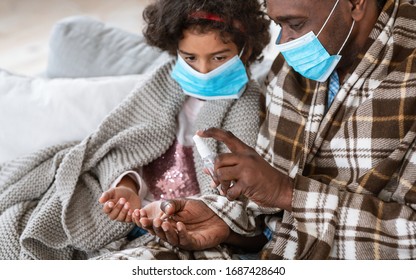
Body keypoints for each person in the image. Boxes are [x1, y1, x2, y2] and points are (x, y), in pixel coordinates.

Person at [134, 0, 416, 259]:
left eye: (295, 24)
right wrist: (224, 222)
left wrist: (289, 192)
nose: (284, 41)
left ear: (356, 3)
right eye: (278, 25)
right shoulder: (292, 67)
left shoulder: (405, 77)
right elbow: (267, 218)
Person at [0, 0, 270, 260]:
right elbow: (121, 146)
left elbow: (242, 196)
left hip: (180, 224)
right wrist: (127, 186)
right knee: (19, 227)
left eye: (218, 57)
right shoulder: (163, 84)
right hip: (134, 210)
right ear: (175, 48)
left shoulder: (248, 107)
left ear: (245, 49)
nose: (203, 70)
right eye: (190, 57)